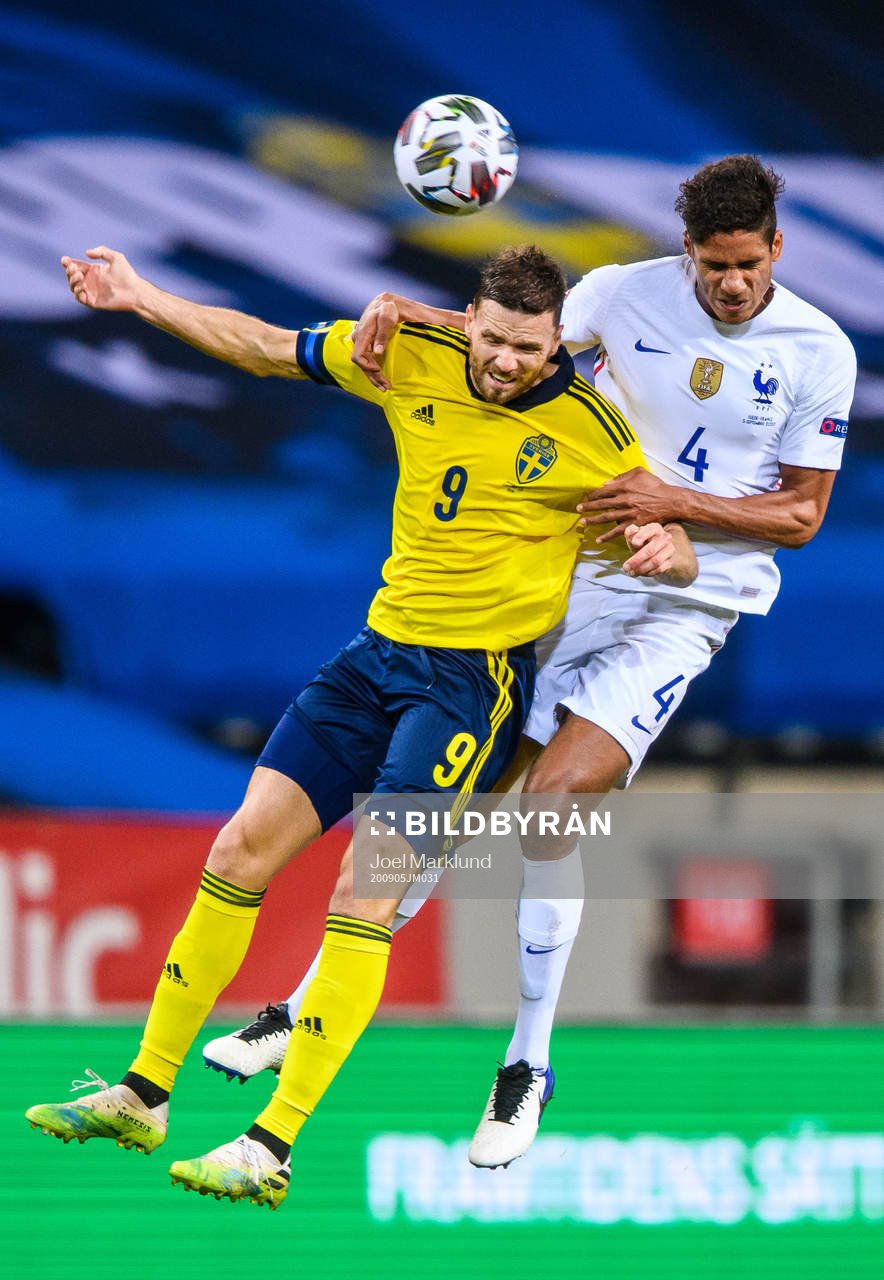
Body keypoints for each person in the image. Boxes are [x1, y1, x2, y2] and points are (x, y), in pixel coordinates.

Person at [201, 155, 857, 1171]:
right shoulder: (620, 292)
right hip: (577, 573)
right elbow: (511, 342)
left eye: (746, 264)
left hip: (684, 605)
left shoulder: (818, 349)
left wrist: (670, 504)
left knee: (548, 805)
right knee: (457, 788)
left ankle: (526, 1057)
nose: (730, 283)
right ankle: (301, 998)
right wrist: (401, 313)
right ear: (686, 250)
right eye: (712, 264)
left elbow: (800, 515)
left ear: (775, 247)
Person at [25, 244, 697, 1210]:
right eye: (495, 341)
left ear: (558, 345)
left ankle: (271, 1146)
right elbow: (261, 345)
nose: (507, 363)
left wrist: (662, 550)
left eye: (530, 349)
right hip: (373, 657)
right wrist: (139, 297)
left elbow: (670, 549)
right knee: (240, 848)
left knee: (364, 893)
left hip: (469, 690)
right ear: (470, 319)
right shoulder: (413, 354)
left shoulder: (594, 432)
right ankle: (143, 1092)